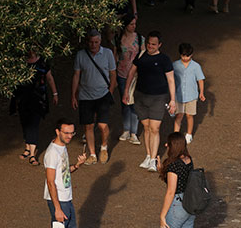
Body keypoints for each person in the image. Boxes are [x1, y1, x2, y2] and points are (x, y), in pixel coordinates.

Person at [123, 30, 176, 173]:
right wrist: (126, 90)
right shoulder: (141, 56)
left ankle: (153, 159)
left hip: (158, 98)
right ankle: (147, 155)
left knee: (155, 128)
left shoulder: (165, 60)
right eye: (148, 44)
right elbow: (131, 72)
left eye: (153, 44)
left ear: (160, 45)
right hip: (141, 97)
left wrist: (173, 100)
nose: (150, 46)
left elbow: (171, 80)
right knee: (146, 128)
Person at [44, 118, 87, 228]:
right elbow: (50, 182)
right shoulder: (52, 153)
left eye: (72, 133)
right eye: (66, 133)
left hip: (66, 198)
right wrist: (57, 208)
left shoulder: (62, 148)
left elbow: (63, 173)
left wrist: (77, 165)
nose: (69, 136)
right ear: (57, 132)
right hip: (58, 200)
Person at [72, 29, 117, 164]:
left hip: (103, 94)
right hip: (85, 95)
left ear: (100, 41)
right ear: (87, 42)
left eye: (96, 42)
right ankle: (92, 154)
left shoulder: (108, 53)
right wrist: (73, 95)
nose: (93, 45)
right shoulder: (81, 55)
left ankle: (104, 146)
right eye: (91, 42)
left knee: (103, 125)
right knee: (89, 126)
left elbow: (113, 74)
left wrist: (110, 91)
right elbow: (76, 76)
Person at [12, 49, 58, 166]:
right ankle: (27, 147)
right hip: (23, 98)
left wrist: (55, 93)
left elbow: (49, 78)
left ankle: (32, 154)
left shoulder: (42, 62)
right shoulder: (21, 62)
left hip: (38, 99)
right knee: (25, 122)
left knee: (34, 124)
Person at [115, 15, 143, 146]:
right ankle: (126, 130)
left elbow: (143, 57)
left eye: (135, 24)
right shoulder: (119, 39)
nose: (134, 26)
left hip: (136, 76)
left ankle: (134, 132)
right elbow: (115, 57)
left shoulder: (139, 39)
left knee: (134, 104)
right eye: (131, 24)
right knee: (125, 103)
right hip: (122, 74)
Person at [172, 43, 206, 144]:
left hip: (191, 96)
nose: (185, 58)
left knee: (189, 115)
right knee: (179, 115)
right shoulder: (175, 65)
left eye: (187, 56)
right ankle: (176, 135)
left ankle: (189, 134)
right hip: (179, 96)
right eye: (183, 55)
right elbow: (171, 80)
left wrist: (201, 92)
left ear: (191, 55)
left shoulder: (196, 66)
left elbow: (200, 79)